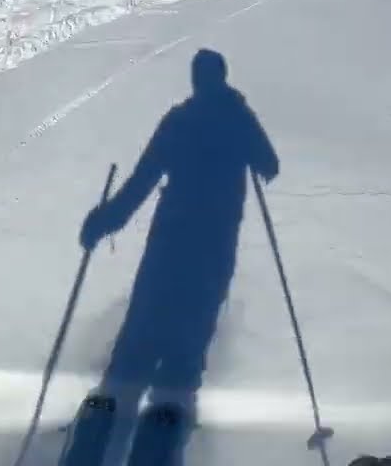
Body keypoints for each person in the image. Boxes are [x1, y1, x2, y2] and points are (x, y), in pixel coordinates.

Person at [77, 48, 278, 454]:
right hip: (212, 250)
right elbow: (269, 165)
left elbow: (141, 183)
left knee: (141, 333)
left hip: (169, 248)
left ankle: (104, 423)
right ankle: (163, 427)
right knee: (187, 341)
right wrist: (246, 145)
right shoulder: (238, 120)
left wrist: (103, 220)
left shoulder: (179, 122)